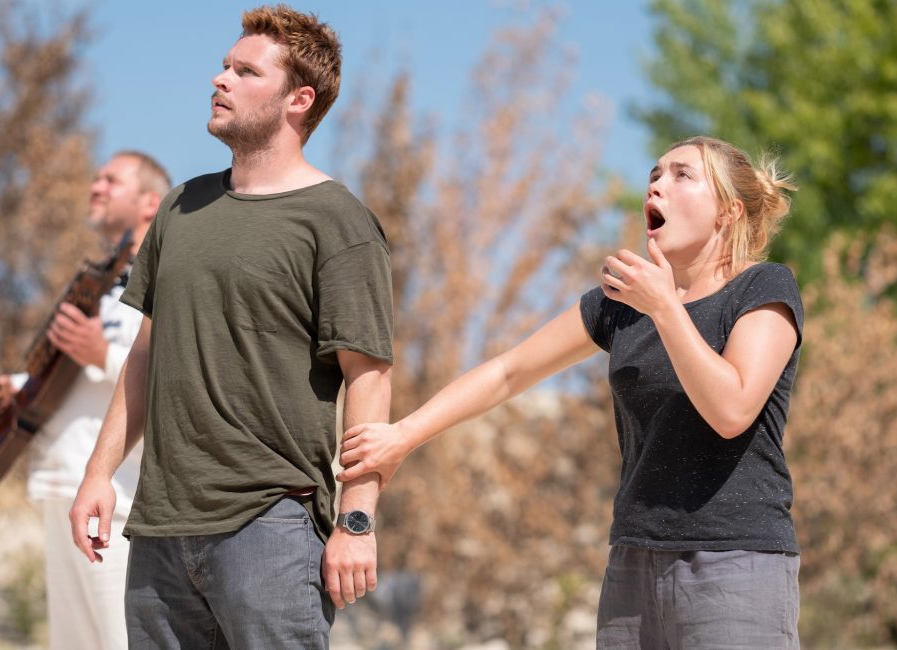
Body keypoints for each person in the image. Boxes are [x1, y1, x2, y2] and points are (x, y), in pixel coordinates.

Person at [339, 135, 804, 648]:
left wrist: (665, 308)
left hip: (734, 564)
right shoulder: (620, 305)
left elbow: (732, 409)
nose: (656, 185)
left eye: (681, 175)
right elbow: (508, 373)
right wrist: (402, 436)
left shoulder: (764, 288)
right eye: (654, 174)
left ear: (728, 212)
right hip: (632, 564)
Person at [68, 5, 393, 649]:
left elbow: (370, 380)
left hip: (271, 526)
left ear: (299, 98)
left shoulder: (337, 221)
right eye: (224, 66)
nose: (220, 79)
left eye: (245, 71)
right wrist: (98, 474)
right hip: (159, 528)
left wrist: (356, 521)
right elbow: (146, 354)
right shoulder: (180, 208)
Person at [0, 150, 171, 650]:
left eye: (112, 179)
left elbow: (178, 378)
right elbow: (73, 381)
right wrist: (17, 389)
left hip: (123, 505)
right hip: (63, 490)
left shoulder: (172, 276)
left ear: (151, 201)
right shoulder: (98, 284)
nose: (96, 186)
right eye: (95, 178)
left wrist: (102, 352)